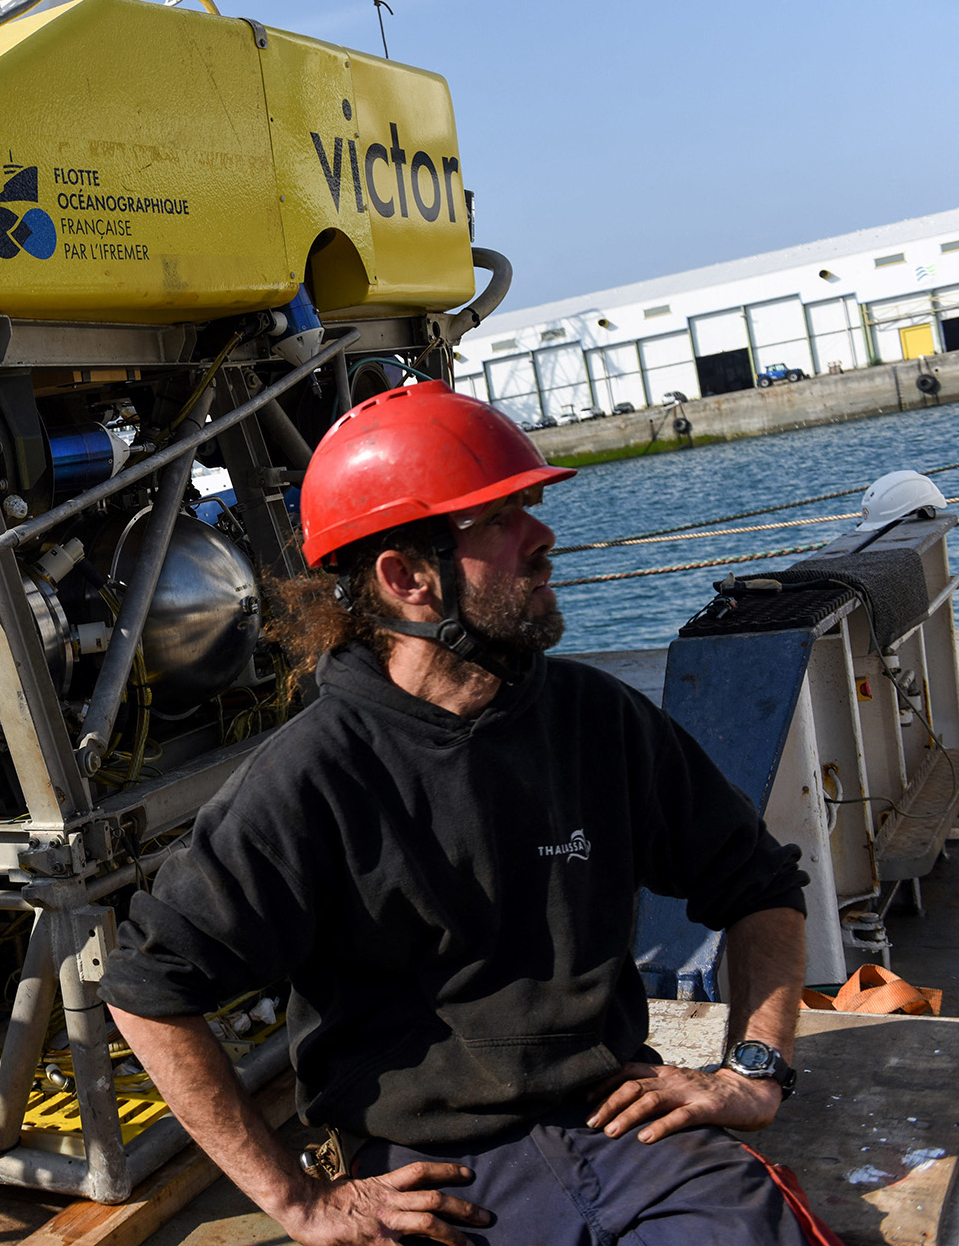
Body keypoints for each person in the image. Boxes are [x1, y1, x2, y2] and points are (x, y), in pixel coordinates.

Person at [101, 381, 816, 1245]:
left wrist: (753, 1068)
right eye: (504, 518)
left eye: (530, 505)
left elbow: (760, 885)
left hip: (627, 1129)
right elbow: (148, 988)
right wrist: (299, 1201)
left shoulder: (597, 719)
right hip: (428, 1178)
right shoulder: (310, 778)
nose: (543, 536)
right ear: (407, 577)